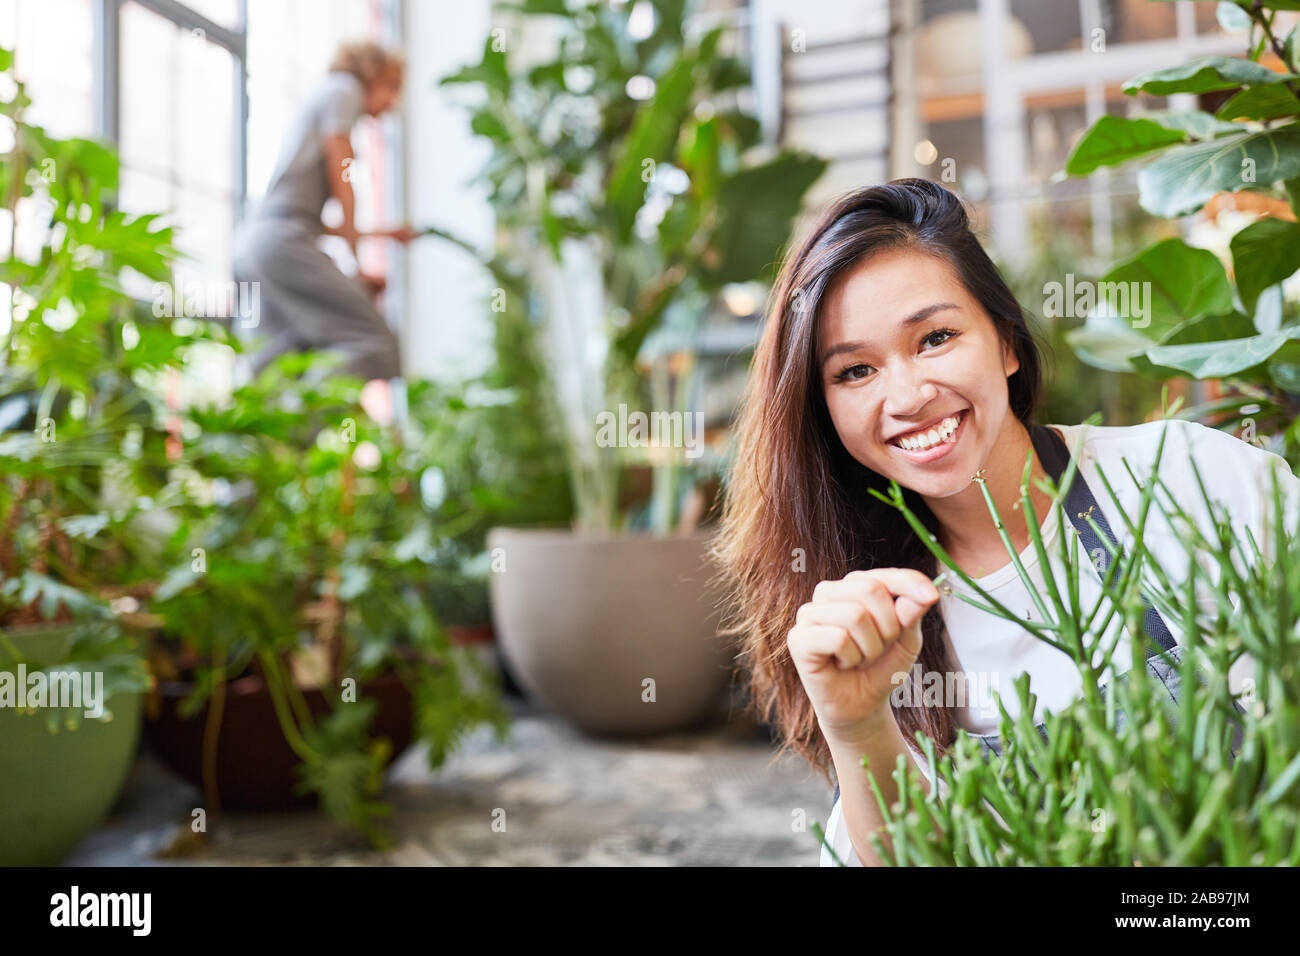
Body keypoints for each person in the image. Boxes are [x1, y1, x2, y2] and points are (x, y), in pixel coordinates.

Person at [709, 179, 1300, 867]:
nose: (908, 396)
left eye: (935, 337)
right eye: (855, 371)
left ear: (1008, 342)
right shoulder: (874, 618)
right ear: (826, 413)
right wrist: (858, 722)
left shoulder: (1187, 480)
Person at [232, 40, 416, 423]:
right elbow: (342, 170)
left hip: (257, 244)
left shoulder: (323, 96)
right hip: (282, 243)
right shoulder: (344, 90)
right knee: (372, 340)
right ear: (374, 74)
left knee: (275, 364)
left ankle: (262, 467)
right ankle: (304, 422)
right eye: (392, 88)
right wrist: (357, 262)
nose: (392, 103)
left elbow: (308, 216)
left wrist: (378, 234)